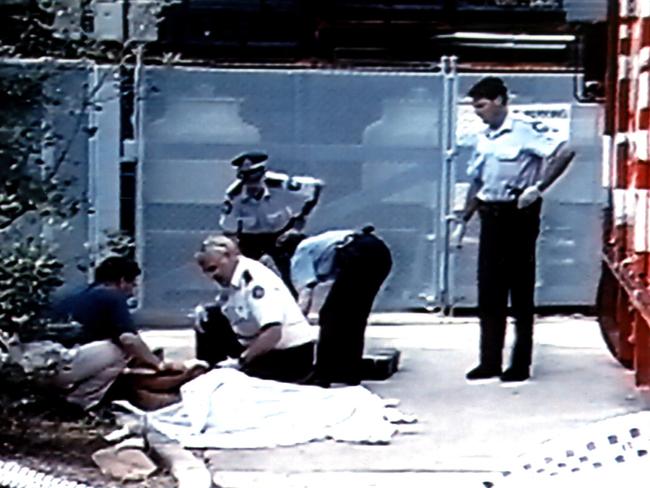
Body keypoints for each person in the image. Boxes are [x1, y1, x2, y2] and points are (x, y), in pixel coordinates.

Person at [453, 76, 575, 382]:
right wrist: (462, 221)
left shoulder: (523, 130)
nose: (478, 112)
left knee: (519, 291)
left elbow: (563, 151)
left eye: (481, 106)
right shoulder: (485, 138)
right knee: (489, 290)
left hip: (517, 212)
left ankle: (520, 364)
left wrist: (539, 187)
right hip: (489, 214)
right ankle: (489, 361)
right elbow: (477, 182)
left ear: (499, 101)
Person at [49, 256, 203, 410]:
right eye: (133, 284)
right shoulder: (111, 296)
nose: (133, 290)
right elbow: (129, 340)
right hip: (68, 362)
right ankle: (80, 400)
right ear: (122, 281)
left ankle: (73, 398)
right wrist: (158, 365)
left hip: (50, 362)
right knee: (123, 349)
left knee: (128, 354)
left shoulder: (83, 294)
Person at [276, 226, 392, 387]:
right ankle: (348, 372)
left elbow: (306, 294)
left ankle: (323, 374)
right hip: (379, 252)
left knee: (330, 316)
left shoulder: (300, 253)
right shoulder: (320, 242)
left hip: (359, 255)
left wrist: (295, 325)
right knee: (354, 317)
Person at [194, 235, 317, 383]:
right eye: (206, 271)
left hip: (287, 355)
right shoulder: (232, 277)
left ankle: (222, 378)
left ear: (229, 256)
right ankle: (209, 372)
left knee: (235, 381)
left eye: (213, 269)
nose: (212, 276)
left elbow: (273, 333)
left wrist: (240, 362)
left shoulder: (256, 281)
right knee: (208, 317)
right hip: (255, 343)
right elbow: (229, 307)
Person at [219, 151, 324, 293]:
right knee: (244, 275)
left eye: (255, 179)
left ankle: (295, 302)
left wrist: (299, 222)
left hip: (281, 233)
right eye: (247, 180)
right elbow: (228, 227)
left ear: (262, 175)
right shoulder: (234, 195)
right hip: (251, 237)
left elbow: (316, 187)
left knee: (291, 274)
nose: (252, 185)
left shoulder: (280, 184)